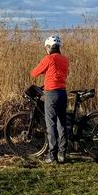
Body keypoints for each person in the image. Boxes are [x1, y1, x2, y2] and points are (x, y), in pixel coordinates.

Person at [30, 34, 69, 164]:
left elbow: (34, 73)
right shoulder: (65, 59)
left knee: (51, 124)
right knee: (62, 123)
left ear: (49, 47)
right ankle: (62, 153)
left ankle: (52, 156)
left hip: (51, 94)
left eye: (46, 47)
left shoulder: (49, 58)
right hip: (63, 93)